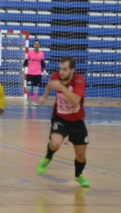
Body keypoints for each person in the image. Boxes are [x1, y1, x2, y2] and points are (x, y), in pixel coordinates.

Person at [36, 56, 90, 187]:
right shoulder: (55, 77)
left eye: (65, 69)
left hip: (77, 121)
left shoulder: (79, 80)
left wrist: (62, 88)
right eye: (60, 69)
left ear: (72, 70)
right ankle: (47, 157)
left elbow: (76, 100)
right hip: (60, 118)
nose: (61, 72)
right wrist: (44, 96)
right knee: (55, 143)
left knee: (81, 155)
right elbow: (50, 84)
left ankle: (79, 175)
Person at [22, 40, 47, 106]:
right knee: (28, 88)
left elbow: (42, 63)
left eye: (37, 44)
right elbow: (26, 61)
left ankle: (34, 101)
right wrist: (23, 69)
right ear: (33, 45)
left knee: (36, 88)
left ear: (39, 45)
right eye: (35, 44)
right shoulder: (30, 53)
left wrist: (44, 71)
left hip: (38, 73)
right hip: (30, 73)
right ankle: (28, 98)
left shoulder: (41, 54)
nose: (36, 45)